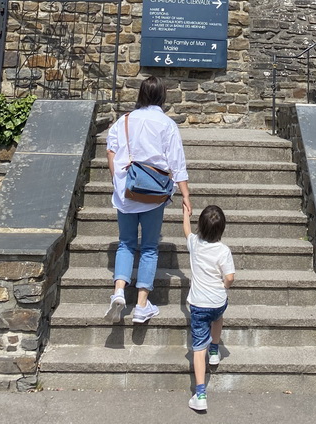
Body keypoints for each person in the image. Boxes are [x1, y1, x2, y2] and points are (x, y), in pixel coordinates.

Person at [105, 76, 191, 324]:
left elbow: (111, 150)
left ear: (141, 94)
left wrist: (117, 179)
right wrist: (185, 194)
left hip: (127, 191)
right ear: (162, 96)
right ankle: (142, 305)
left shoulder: (124, 121)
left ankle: (119, 291)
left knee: (126, 243)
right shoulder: (166, 124)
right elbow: (177, 162)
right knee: (150, 247)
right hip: (154, 194)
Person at [183, 203, 235, 413]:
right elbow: (230, 277)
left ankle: (200, 394)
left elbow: (186, 230)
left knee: (197, 349)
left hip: (198, 304)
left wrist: (185, 213)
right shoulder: (224, 251)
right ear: (222, 229)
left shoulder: (194, 243)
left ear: (200, 227)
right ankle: (215, 349)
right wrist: (224, 285)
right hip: (217, 301)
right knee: (218, 317)